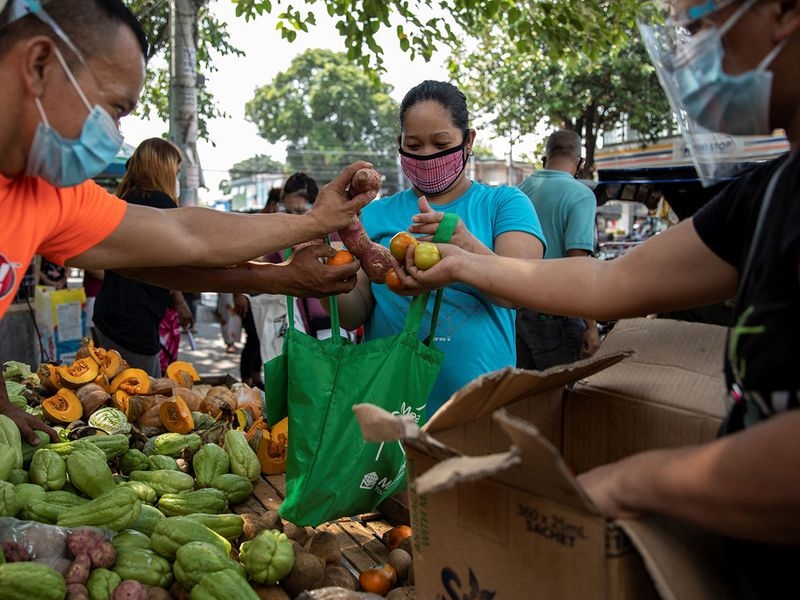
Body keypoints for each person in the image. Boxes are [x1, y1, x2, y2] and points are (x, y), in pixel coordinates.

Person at [402, 2, 800, 596]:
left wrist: (635, 481)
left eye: (698, 27)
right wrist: (465, 262)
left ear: (784, 10)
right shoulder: (766, 198)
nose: (690, 54)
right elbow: (607, 284)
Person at [0, 0, 375, 443]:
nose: (114, 134)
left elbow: (181, 237)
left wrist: (306, 235)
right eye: (114, 110)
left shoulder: (45, 195)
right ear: (40, 62)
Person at [331, 80, 546, 418]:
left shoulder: (504, 204)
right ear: (399, 145)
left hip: (481, 412)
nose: (427, 155)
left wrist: (465, 246)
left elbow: (522, 290)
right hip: (389, 413)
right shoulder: (374, 214)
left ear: (468, 140)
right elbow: (354, 311)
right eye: (413, 145)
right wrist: (326, 276)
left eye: (441, 143)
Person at [92, 138, 194, 377]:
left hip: (110, 313)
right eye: (175, 172)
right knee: (141, 397)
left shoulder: (126, 200)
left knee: (119, 388)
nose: (176, 180)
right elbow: (176, 263)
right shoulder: (161, 204)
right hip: (133, 319)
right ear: (163, 169)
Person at [515, 129, 601, 370]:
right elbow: (578, 264)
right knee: (560, 397)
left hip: (517, 312)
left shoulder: (520, 190)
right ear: (580, 162)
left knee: (526, 396)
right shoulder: (581, 195)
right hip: (557, 315)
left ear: (545, 159)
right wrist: (592, 326)